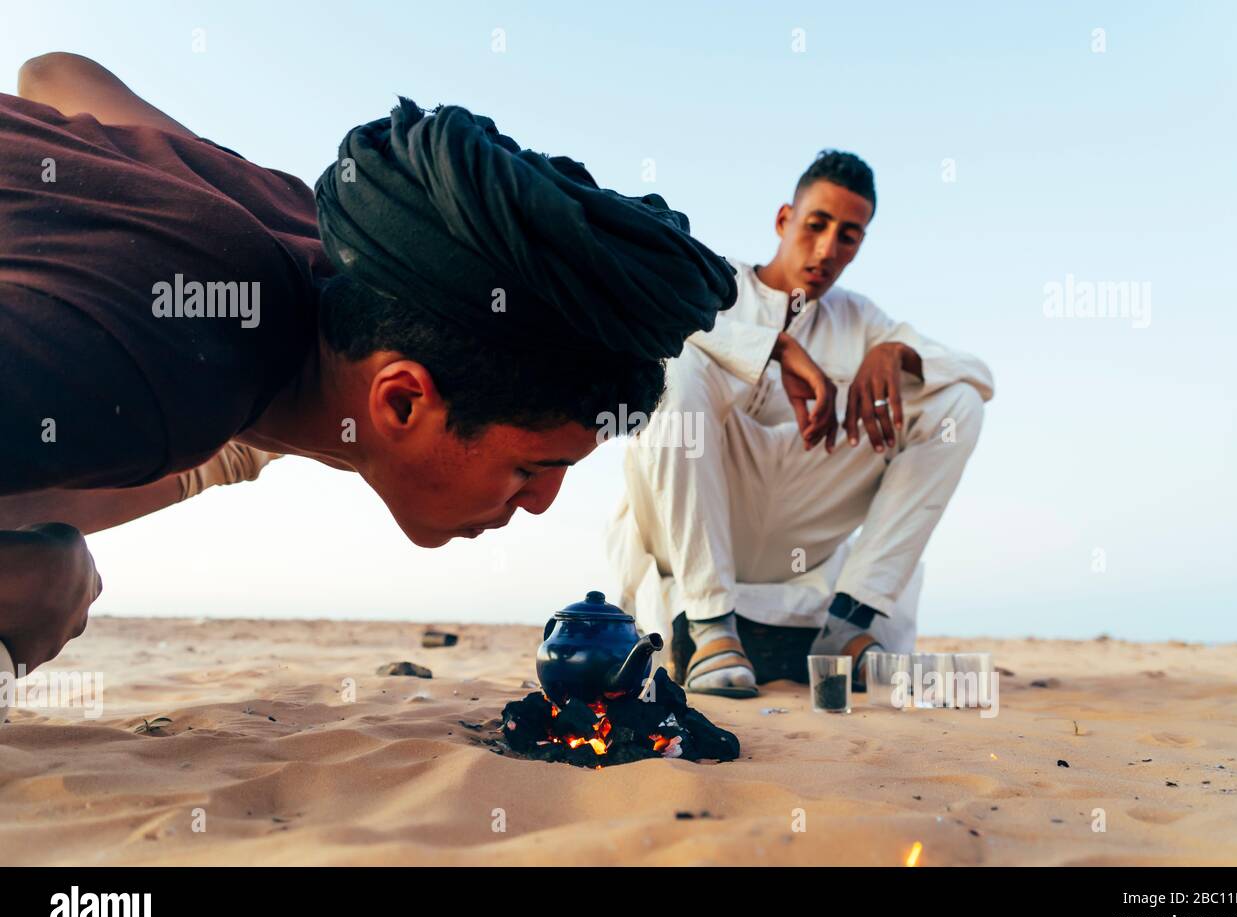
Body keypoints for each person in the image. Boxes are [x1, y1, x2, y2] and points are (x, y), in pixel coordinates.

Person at [0, 53, 738, 681]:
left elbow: (56, 74)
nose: (543, 502)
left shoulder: (296, 226)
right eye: (529, 468)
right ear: (404, 402)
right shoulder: (174, 365)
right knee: (39, 580)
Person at [607, 150, 993, 697]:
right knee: (678, 364)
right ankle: (712, 624)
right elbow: (642, 317)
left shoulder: (861, 320)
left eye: (849, 236)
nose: (827, 249)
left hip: (799, 527)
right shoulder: (714, 284)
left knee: (956, 402)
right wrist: (772, 347)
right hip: (693, 519)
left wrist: (899, 353)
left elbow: (980, 375)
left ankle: (846, 625)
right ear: (784, 219)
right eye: (817, 225)